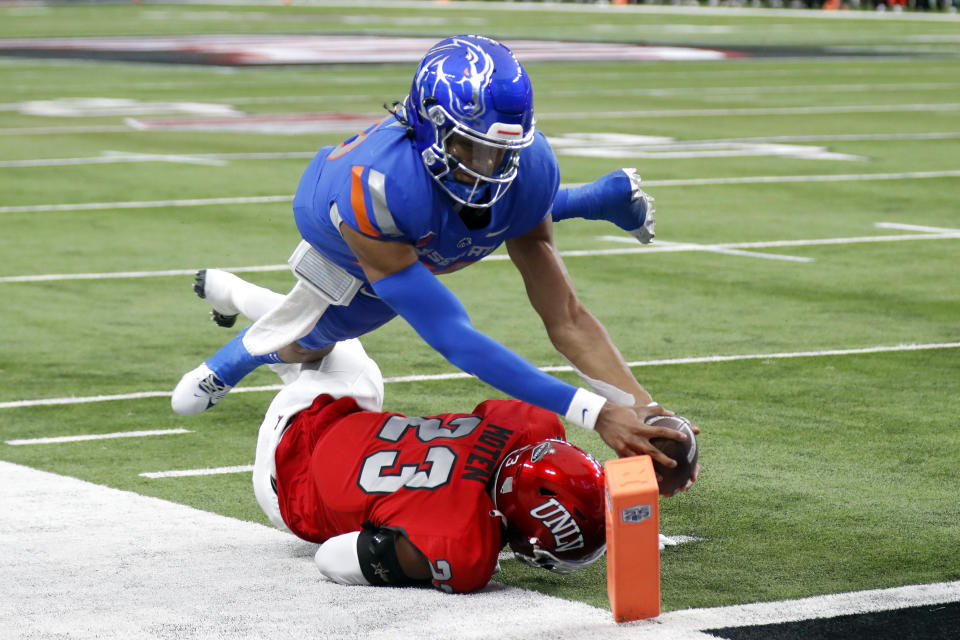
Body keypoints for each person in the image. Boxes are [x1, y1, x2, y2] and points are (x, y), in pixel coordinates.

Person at [173, 34, 686, 465]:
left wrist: (643, 408)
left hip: (430, 225)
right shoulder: (376, 190)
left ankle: (596, 197)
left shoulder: (526, 168)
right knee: (308, 344)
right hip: (343, 230)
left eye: (501, 151)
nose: (489, 169)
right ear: (428, 125)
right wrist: (594, 412)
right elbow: (454, 337)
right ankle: (231, 353)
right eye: (471, 148)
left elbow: (567, 318)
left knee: (497, 216)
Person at [253, 337, 608, 593]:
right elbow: (329, 558)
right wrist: (412, 552)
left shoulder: (532, 427)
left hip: (325, 415)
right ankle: (229, 352)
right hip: (288, 488)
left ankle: (238, 309)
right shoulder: (465, 546)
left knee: (338, 336)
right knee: (324, 332)